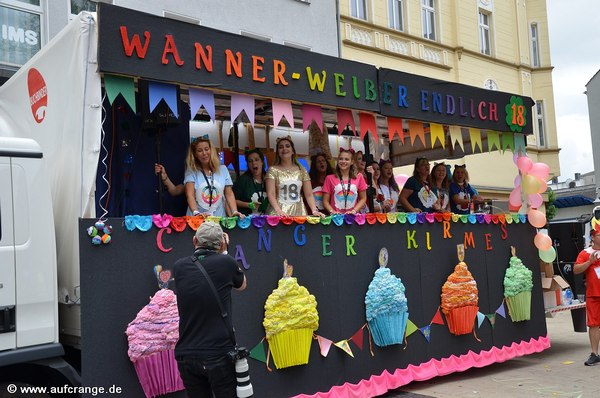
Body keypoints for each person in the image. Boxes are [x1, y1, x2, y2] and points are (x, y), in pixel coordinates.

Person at [173, 221, 247, 397]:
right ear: (221, 243)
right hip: (218, 353)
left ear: (194, 241)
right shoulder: (226, 262)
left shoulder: (179, 267)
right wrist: (226, 251)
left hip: (187, 354)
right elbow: (242, 285)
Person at [265, 136, 324, 217]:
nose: (284, 149)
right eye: (280, 147)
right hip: (278, 213)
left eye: (287, 146)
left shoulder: (302, 170)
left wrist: (314, 210)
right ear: (278, 152)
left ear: (293, 151)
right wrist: (278, 210)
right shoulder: (272, 170)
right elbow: (271, 193)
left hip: (299, 212)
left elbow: (309, 194)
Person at [184, 138, 243, 218]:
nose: (204, 153)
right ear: (195, 154)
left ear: (211, 150)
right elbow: (190, 195)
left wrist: (234, 211)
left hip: (218, 219)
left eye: (206, 149)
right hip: (197, 220)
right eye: (200, 150)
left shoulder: (223, 169)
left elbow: (229, 194)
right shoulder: (191, 171)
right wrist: (196, 213)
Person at [574, 219, 600, 366]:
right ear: (593, 237)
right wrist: (589, 262)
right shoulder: (585, 253)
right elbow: (576, 270)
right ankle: (595, 354)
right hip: (593, 295)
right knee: (594, 325)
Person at [322, 148, 367, 214]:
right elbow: (325, 201)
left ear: (352, 162)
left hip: (353, 218)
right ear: (337, 161)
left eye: (346, 159)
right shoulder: (329, 178)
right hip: (336, 218)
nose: (343, 161)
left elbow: (363, 198)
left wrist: (354, 211)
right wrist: (333, 212)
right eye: (341, 159)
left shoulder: (359, 177)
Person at [233, 148, 268, 215]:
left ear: (262, 162)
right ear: (248, 164)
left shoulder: (269, 179)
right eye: (250, 161)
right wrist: (248, 205)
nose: (254, 163)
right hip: (247, 221)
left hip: (267, 220)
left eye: (256, 160)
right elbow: (231, 200)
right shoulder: (242, 180)